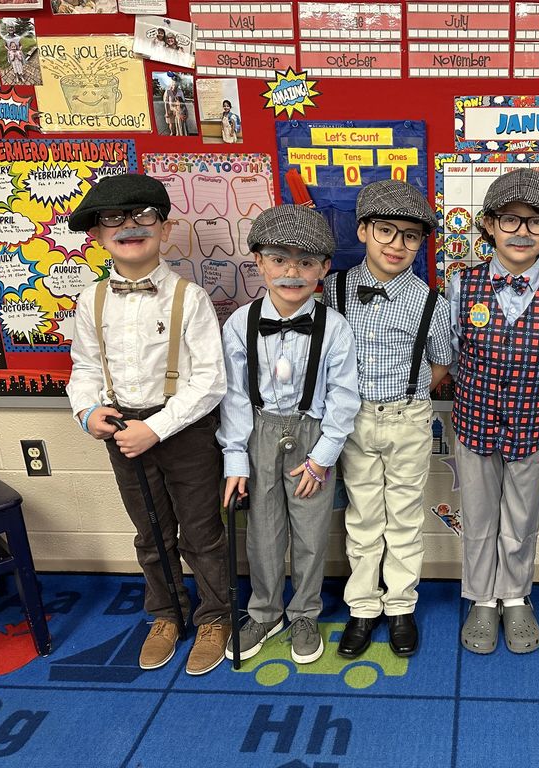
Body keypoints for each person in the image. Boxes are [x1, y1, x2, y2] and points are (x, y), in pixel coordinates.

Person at [66, 174, 231, 675]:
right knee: (150, 530)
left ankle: (215, 615)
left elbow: (209, 381)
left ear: (165, 228)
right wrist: (87, 410)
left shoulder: (190, 298)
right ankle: (166, 613)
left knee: (201, 532)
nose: (129, 227)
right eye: (113, 219)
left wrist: (157, 427)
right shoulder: (90, 301)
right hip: (120, 429)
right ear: (97, 233)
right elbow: (86, 367)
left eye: (143, 217)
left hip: (184, 428)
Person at [449, 168, 539, 655]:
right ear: (489, 225)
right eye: (510, 220)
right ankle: (482, 598)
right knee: (481, 515)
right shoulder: (461, 287)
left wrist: (537, 393)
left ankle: (514, 595)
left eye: (537, 221)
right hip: (473, 420)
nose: (522, 232)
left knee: (522, 516)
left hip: (533, 423)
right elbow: (450, 348)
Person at [217, 204, 359, 665]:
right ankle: (264, 609)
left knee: (312, 530)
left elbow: (343, 396)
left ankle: (304, 612)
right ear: (259, 262)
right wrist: (235, 457)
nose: (292, 272)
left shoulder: (334, 326)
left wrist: (323, 455)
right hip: (258, 430)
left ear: (323, 268)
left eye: (305, 262)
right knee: (262, 529)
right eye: (279, 259)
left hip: (312, 433)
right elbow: (235, 394)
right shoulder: (240, 323)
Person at [322, 180, 453, 659]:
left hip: (408, 417)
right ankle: (361, 607)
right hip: (350, 420)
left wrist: (408, 397)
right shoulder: (333, 289)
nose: (398, 244)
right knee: (361, 518)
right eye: (386, 231)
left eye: (411, 236)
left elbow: (440, 363)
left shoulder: (430, 302)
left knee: (403, 518)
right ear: (362, 230)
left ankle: (400, 605)